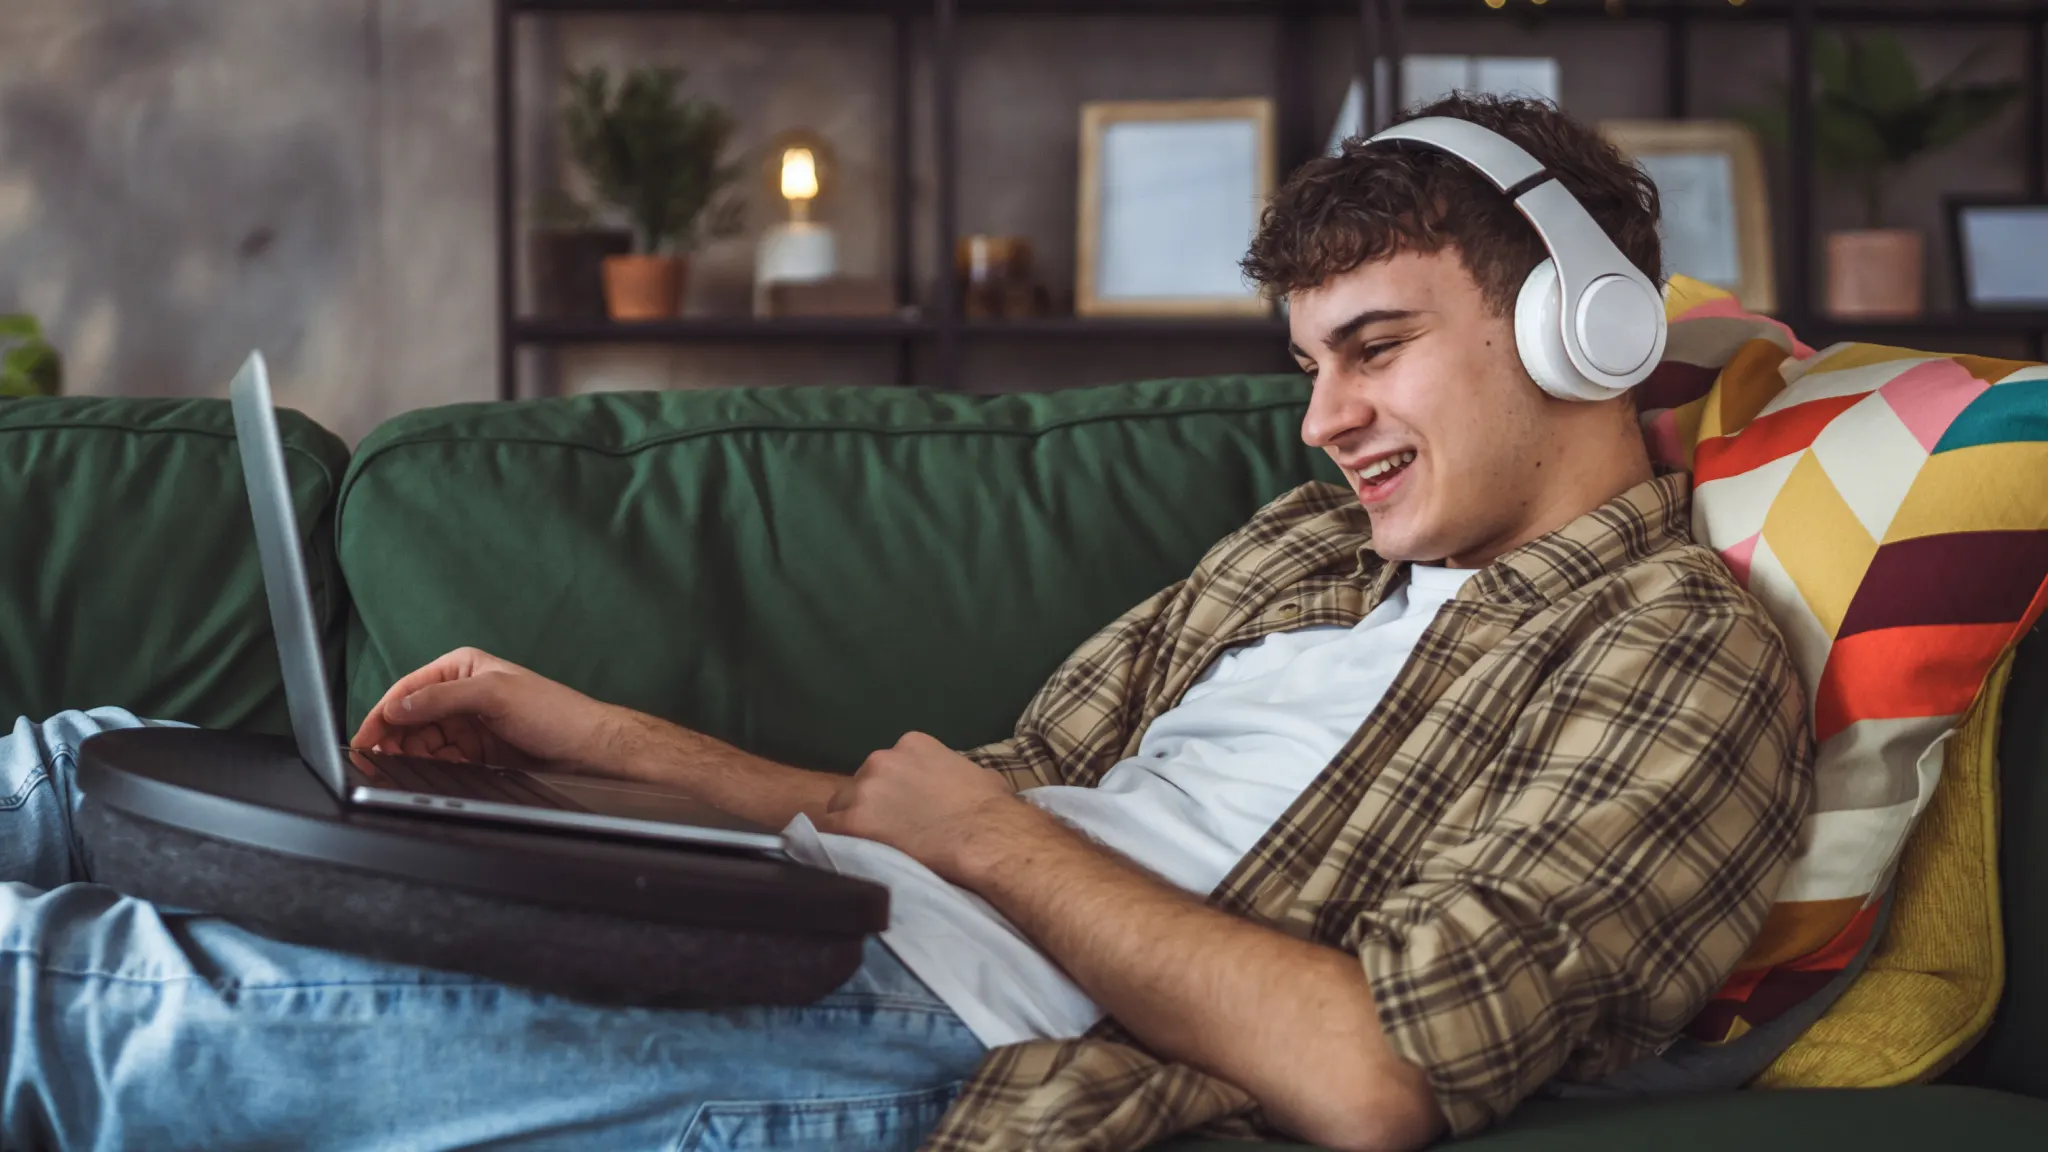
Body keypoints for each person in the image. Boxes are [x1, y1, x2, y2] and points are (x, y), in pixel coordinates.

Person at [0, 93, 1811, 1152]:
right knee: (94, 772)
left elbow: (1374, 1074)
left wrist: (999, 840)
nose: (1323, 418)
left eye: (1375, 346)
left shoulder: (1675, 649)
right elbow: (944, 822)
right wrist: (605, 752)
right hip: (838, 918)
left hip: (915, 1044)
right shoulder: (1308, 556)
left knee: (101, 994)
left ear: (1592, 332)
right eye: (1308, 364)